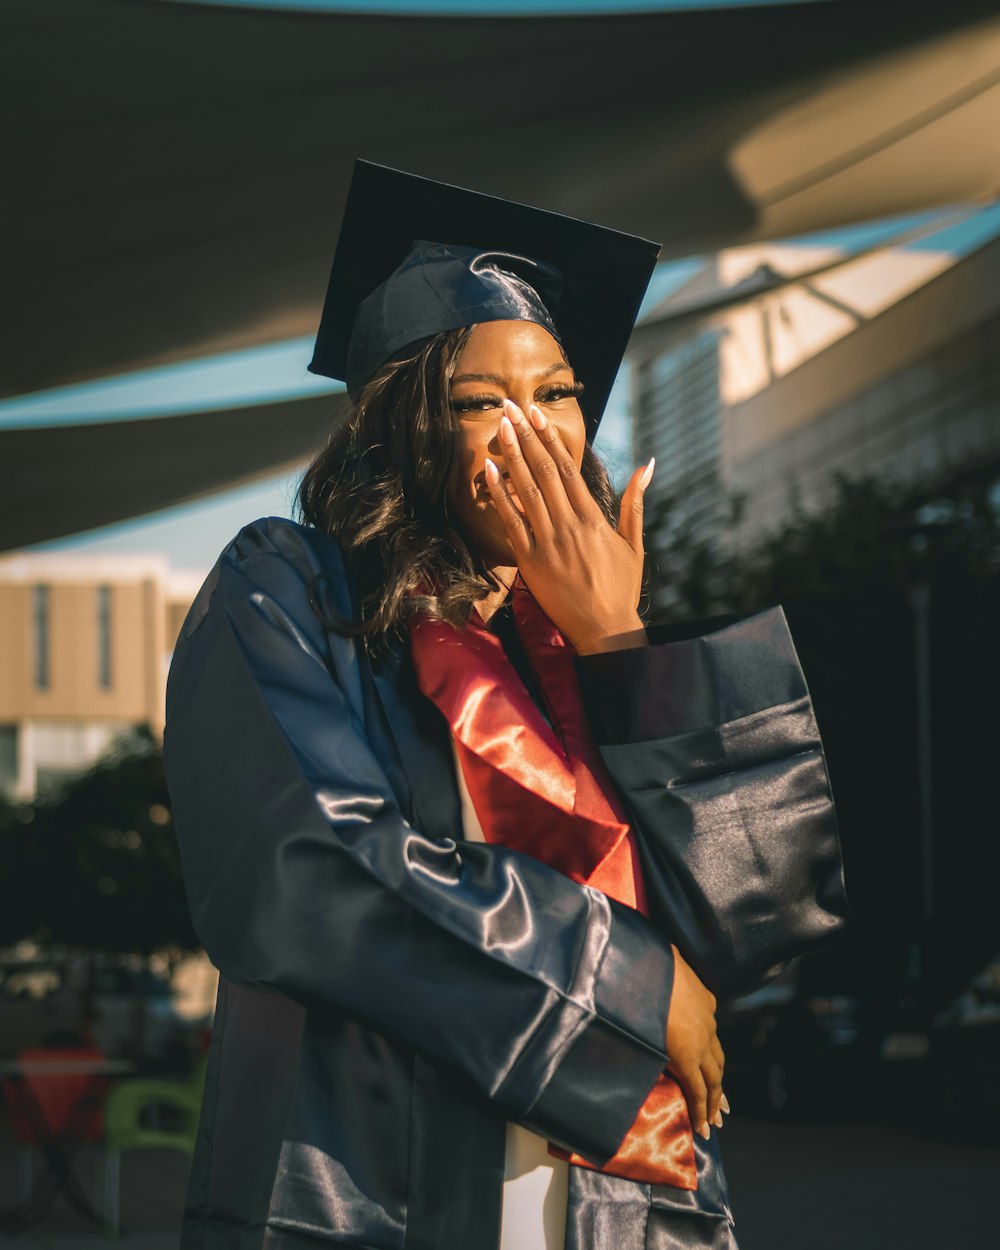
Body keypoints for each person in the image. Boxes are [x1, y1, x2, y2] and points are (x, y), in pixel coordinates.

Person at [164, 162, 842, 1250]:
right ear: (398, 426)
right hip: (377, 1179)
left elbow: (748, 918)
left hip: (619, 1206)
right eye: (480, 402)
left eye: (558, 392)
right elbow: (304, 869)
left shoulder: (583, 630)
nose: (534, 435)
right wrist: (624, 980)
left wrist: (620, 646)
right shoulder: (293, 588)